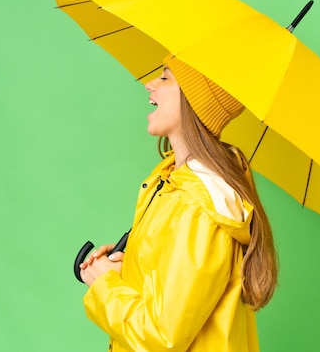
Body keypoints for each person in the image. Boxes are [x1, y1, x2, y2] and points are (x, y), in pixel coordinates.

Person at [79, 54, 278, 352]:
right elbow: (168, 294)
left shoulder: (201, 207)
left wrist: (104, 285)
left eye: (165, 78)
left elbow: (163, 338)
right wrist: (128, 270)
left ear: (193, 102)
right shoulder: (170, 181)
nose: (149, 85)